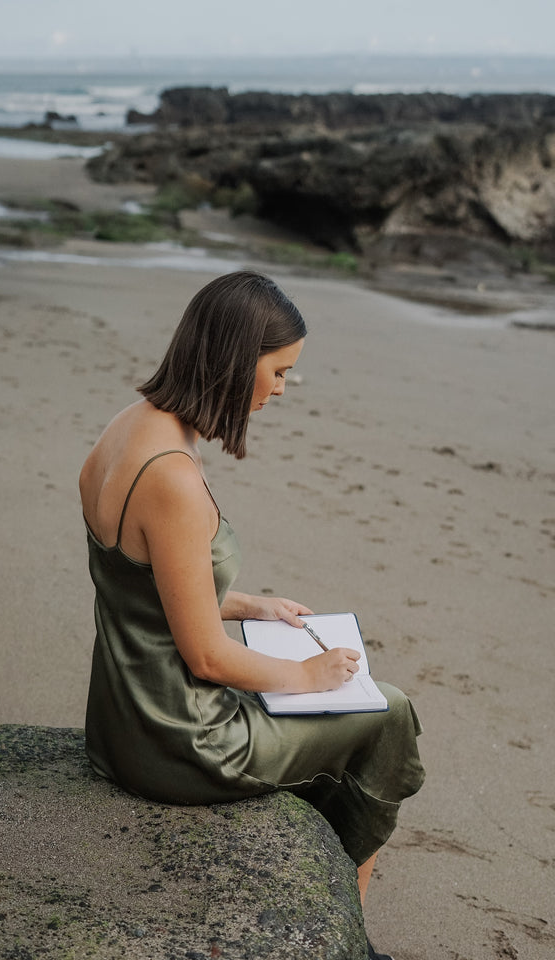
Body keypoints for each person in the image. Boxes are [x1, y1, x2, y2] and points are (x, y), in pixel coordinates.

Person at [80, 271, 425, 960]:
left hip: (119, 720)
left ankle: (324, 878)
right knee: (387, 713)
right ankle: (345, 930)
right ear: (239, 361)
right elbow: (207, 659)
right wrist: (311, 674)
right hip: (180, 740)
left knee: (341, 720)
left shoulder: (129, 427)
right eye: (279, 371)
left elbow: (142, 585)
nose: (281, 388)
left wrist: (249, 604)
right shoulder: (174, 477)